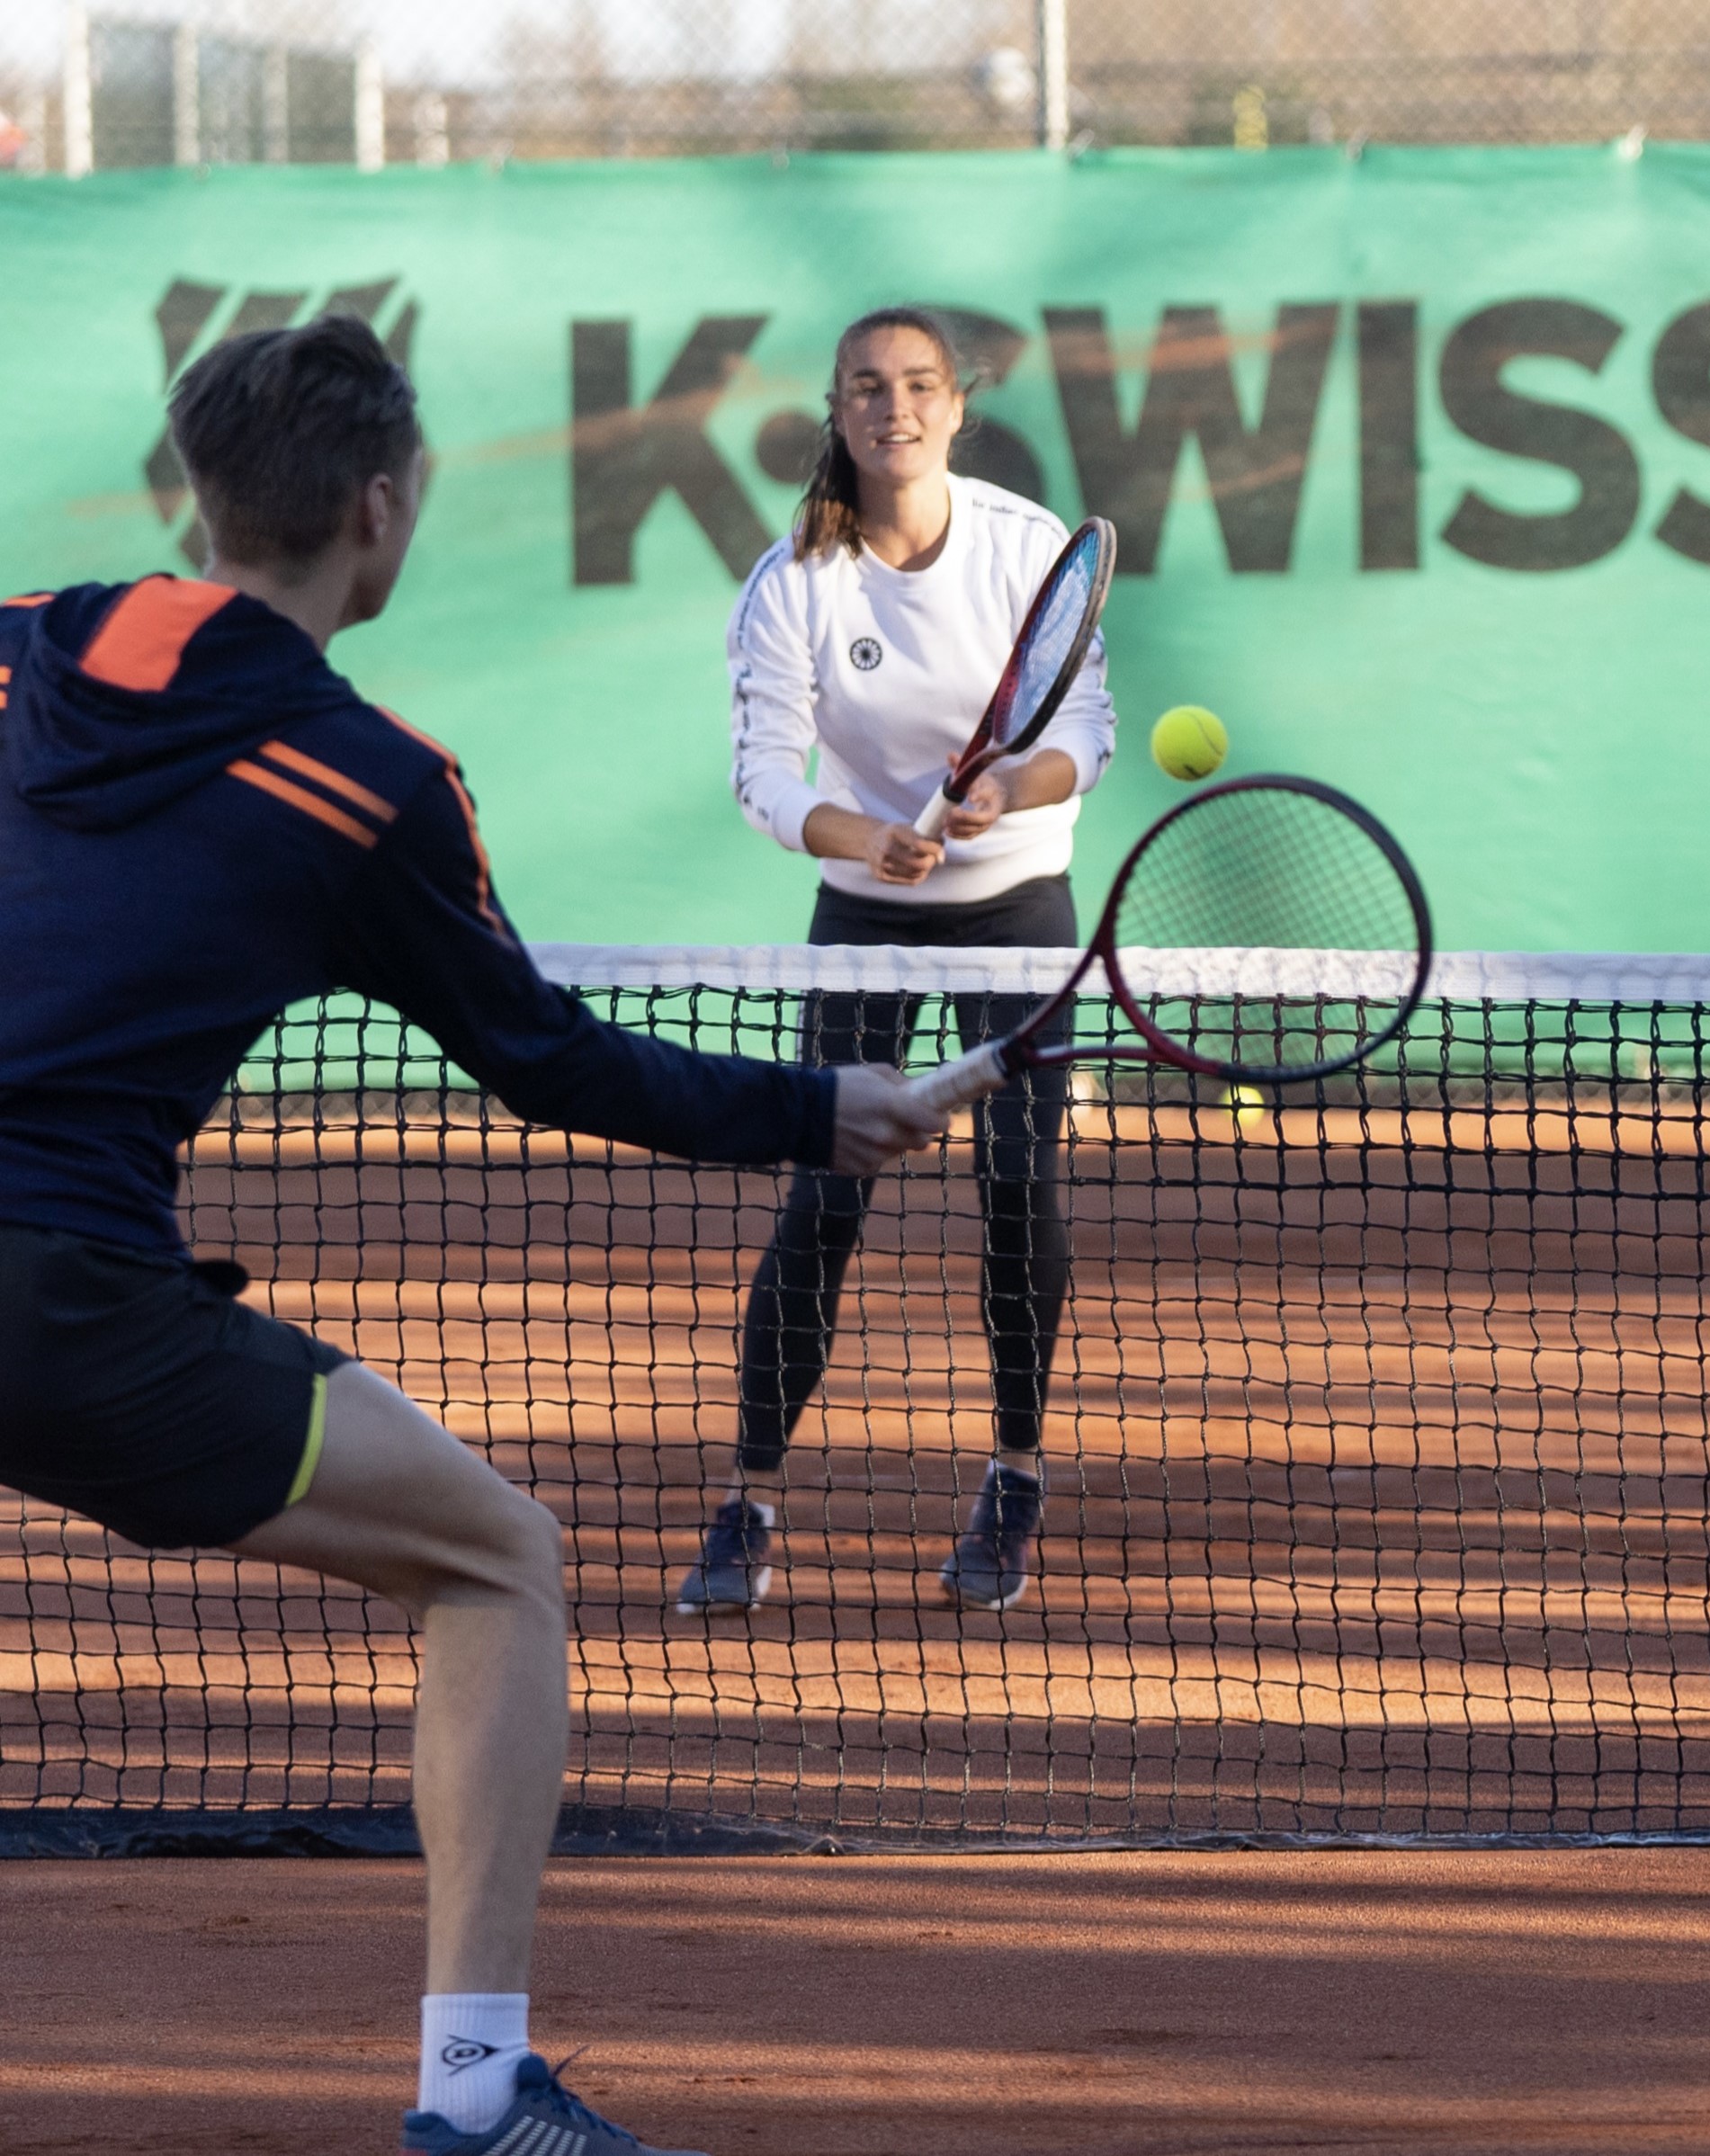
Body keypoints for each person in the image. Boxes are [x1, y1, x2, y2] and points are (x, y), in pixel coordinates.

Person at [0, 318, 944, 2153]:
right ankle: (474, 2088)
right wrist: (829, 1109)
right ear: (381, 504)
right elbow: (552, 1063)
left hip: (67, 1278)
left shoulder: (23, 641)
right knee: (498, 1557)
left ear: (194, 495)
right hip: (63, 1301)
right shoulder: (369, 780)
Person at [681, 304, 1115, 1618]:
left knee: (1013, 1192)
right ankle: (751, 1497)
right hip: (863, 911)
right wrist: (860, 834)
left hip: (1018, 897)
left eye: (919, 384)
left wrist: (1005, 794)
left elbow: (1083, 730)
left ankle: (1016, 1475)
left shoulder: (1025, 547)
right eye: (867, 386)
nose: (896, 407)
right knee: (825, 1200)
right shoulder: (794, 580)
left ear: (955, 406)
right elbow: (764, 773)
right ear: (838, 410)